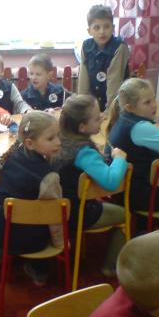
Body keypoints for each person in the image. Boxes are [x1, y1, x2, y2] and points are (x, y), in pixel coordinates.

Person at [54, 95, 128, 277]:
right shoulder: (84, 152)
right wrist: (120, 159)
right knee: (124, 215)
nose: (102, 117)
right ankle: (110, 267)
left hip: (56, 208)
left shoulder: (58, 139)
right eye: (96, 118)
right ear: (82, 127)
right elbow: (111, 182)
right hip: (76, 213)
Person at [0, 111, 61, 286]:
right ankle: (39, 273)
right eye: (51, 138)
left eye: (58, 136)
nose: (58, 142)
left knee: (12, 209)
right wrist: (60, 242)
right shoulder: (49, 177)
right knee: (45, 219)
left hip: (0, 232)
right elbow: (54, 216)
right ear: (29, 143)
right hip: (29, 242)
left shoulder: (10, 156)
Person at [106, 78, 159, 214]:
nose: (154, 105)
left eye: (154, 99)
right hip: (140, 196)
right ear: (130, 107)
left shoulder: (122, 118)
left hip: (123, 192)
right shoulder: (140, 127)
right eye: (147, 102)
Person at [76, 4, 130, 112]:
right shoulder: (86, 46)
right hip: (94, 105)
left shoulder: (119, 47)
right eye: (96, 27)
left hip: (117, 105)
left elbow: (114, 82)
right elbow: (83, 80)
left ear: (113, 28)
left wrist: (109, 111)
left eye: (106, 26)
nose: (102, 31)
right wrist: (82, 107)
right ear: (89, 31)